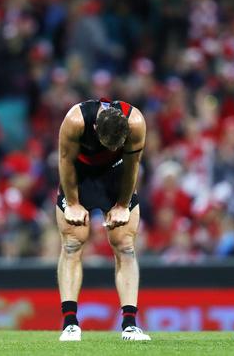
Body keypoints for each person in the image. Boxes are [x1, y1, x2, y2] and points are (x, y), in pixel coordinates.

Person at [56, 98, 150, 341]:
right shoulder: (75, 121)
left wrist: (122, 205)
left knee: (125, 245)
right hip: (80, 175)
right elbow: (65, 162)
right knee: (72, 242)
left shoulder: (136, 123)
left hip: (115, 174)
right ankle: (70, 324)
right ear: (96, 129)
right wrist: (73, 203)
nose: (109, 149)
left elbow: (132, 165)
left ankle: (130, 325)